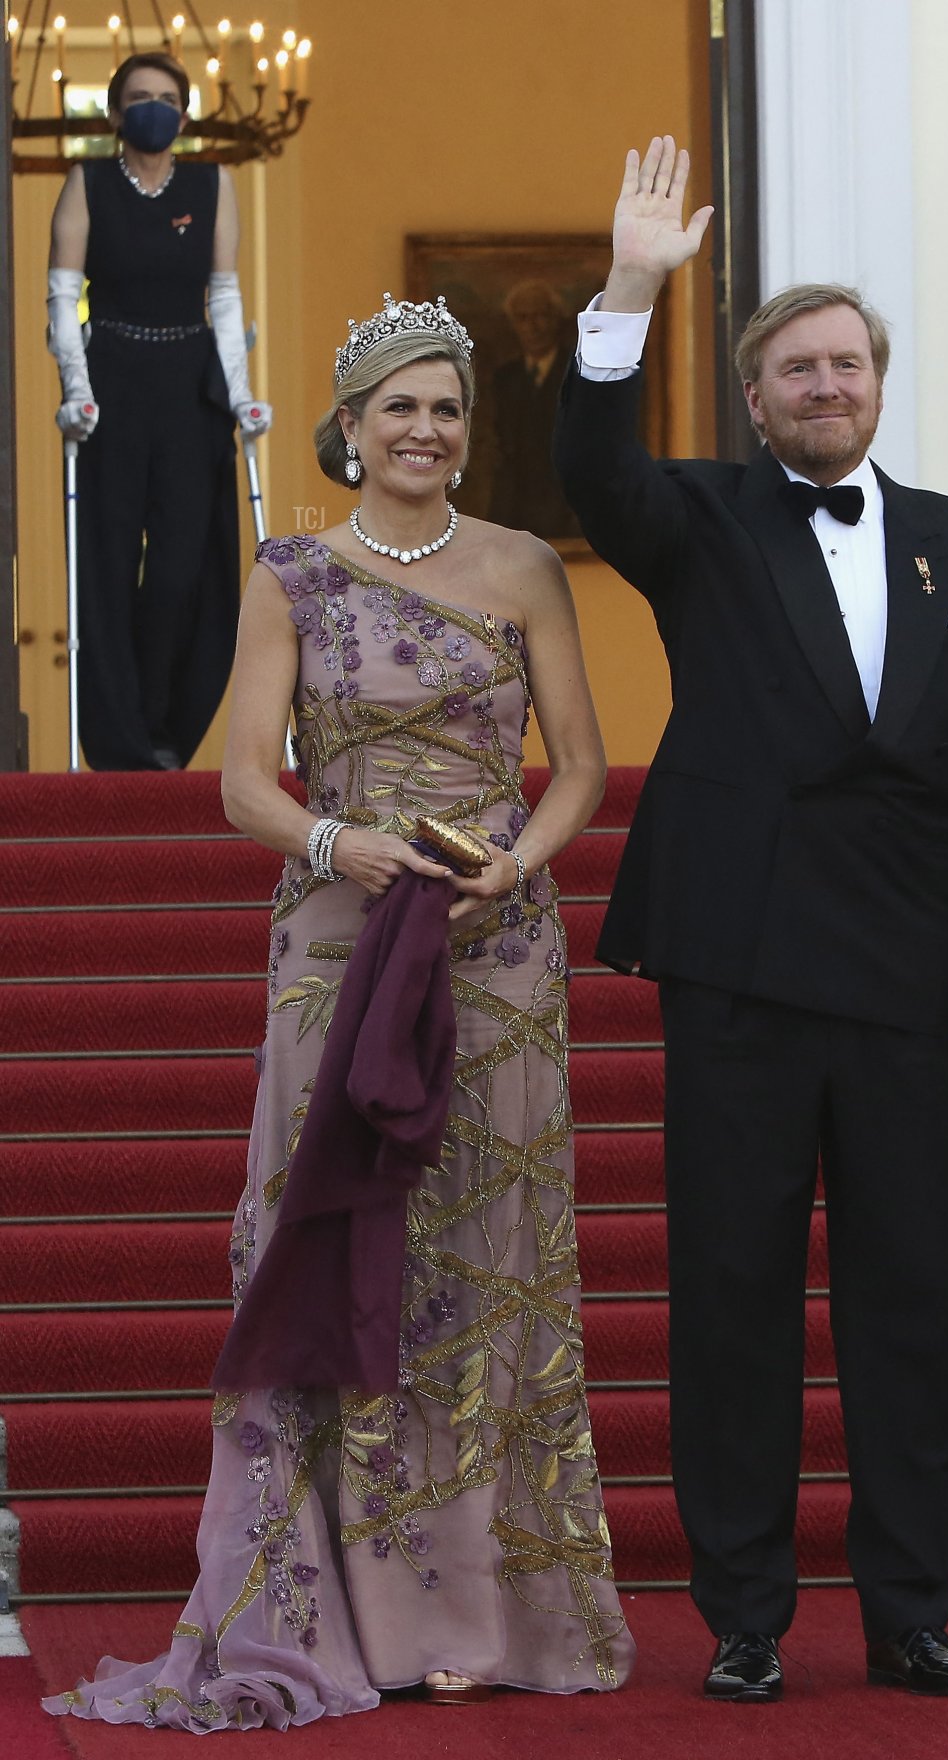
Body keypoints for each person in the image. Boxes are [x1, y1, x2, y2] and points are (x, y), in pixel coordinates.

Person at [44, 293, 633, 1731]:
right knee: (339, 1233)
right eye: (400, 408)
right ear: (351, 425)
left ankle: (474, 1611)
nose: (426, 431)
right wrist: (334, 844)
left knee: (487, 1259)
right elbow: (246, 777)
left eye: (448, 409)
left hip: (496, 943)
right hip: (341, 935)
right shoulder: (294, 573)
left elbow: (583, 767)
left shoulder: (523, 568)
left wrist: (520, 862)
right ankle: (343, 1605)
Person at [554, 138, 948, 1703]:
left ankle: (912, 1611)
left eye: (847, 363)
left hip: (916, 971)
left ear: (878, 385)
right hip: (742, 963)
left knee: (911, 1300)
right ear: (758, 396)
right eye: (796, 367)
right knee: (733, 1294)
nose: (826, 386)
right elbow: (594, 474)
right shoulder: (698, 520)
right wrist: (633, 286)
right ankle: (748, 1617)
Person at [47, 51, 271, 771]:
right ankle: (119, 743)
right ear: (115, 114)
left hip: (189, 388)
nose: (153, 108)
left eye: (166, 97)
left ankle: (164, 727)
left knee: (183, 567)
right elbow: (62, 294)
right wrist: (75, 389)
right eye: (138, 97)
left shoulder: (212, 185)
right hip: (111, 380)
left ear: (184, 112)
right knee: (109, 563)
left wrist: (241, 393)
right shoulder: (87, 183)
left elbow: (226, 296)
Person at [488, 279, 581, 540]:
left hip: (564, 503)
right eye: (523, 318)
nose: (533, 327)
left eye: (541, 316)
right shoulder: (505, 378)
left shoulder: (578, 371)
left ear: (556, 319)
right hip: (515, 504)